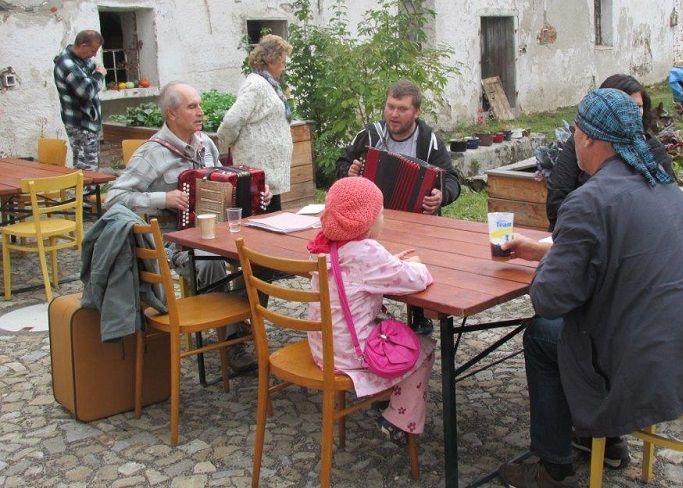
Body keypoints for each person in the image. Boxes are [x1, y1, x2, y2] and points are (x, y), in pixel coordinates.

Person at [497, 89, 683, 488]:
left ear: (590, 138)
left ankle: (553, 466)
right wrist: (557, 256)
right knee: (603, 322)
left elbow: (549, 299)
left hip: (652, 365)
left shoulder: (588, 201)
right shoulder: (662, 185)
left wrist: (551, 262)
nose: (573, 138)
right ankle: (605, 443)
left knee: (542, 335)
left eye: (575, 130)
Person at [105, 81, 260, 372]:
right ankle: (234, 341)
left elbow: (220, 184)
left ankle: (241, 318)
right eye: (192, 107)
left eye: (200, 105)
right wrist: (162, 198)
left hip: (217, 232)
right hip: (175, 244)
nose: (201, 112)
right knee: (208, 260)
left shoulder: (205, 144)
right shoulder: (152, 154)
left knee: (258, 259)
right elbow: (114, 198)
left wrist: (252, 194)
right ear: (171, 114)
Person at [306, 176, 436, 443]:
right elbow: (416, 278)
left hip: (323, 348)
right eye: (381, 213)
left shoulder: (323, 246)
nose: (383, 218)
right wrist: (416, 263)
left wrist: (389, 262)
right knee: (424, 348)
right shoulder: (365, 253)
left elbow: (362, 272)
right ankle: (398, 420)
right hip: (350, 358)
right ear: (365, 221)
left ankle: (386, 396)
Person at [545, 74, 673, 230]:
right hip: (575, 231)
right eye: (624, 106)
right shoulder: (581, 143)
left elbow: (658, 207)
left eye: (638, 107)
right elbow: (556, 199)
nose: (631, 113)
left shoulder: (652, 152)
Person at [335, 79, 461, 214]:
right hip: (370, 216)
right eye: (390, 107)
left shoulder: (430, 143)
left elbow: (451, 180)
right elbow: (341, 163)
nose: (394, 114)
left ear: (417, 112)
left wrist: (442, 195)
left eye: (402, 109)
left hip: (416, 222)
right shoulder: (369, 136)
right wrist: (348, 172)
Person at [217, 35, 293, 212]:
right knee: (263, 223)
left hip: (270, 174)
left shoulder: (269, 84)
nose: (284, 66)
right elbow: (231, 120)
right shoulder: (256, 85)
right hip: (258, 172)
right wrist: (223, 147)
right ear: (270, 60)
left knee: (274, 220)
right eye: (282, 61)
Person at [53, 29, 106, 172]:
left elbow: (91, 67)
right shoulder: (68, 65)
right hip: (80, 124)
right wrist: (100, 75)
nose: (95, 55)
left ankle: (89, 193)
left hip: (89, 124)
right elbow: (87, 91)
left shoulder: (79, 59)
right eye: (93, 50)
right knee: (87, 170)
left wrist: (94, 72)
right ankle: (85, 195)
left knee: (91, 168)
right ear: (83, 46)